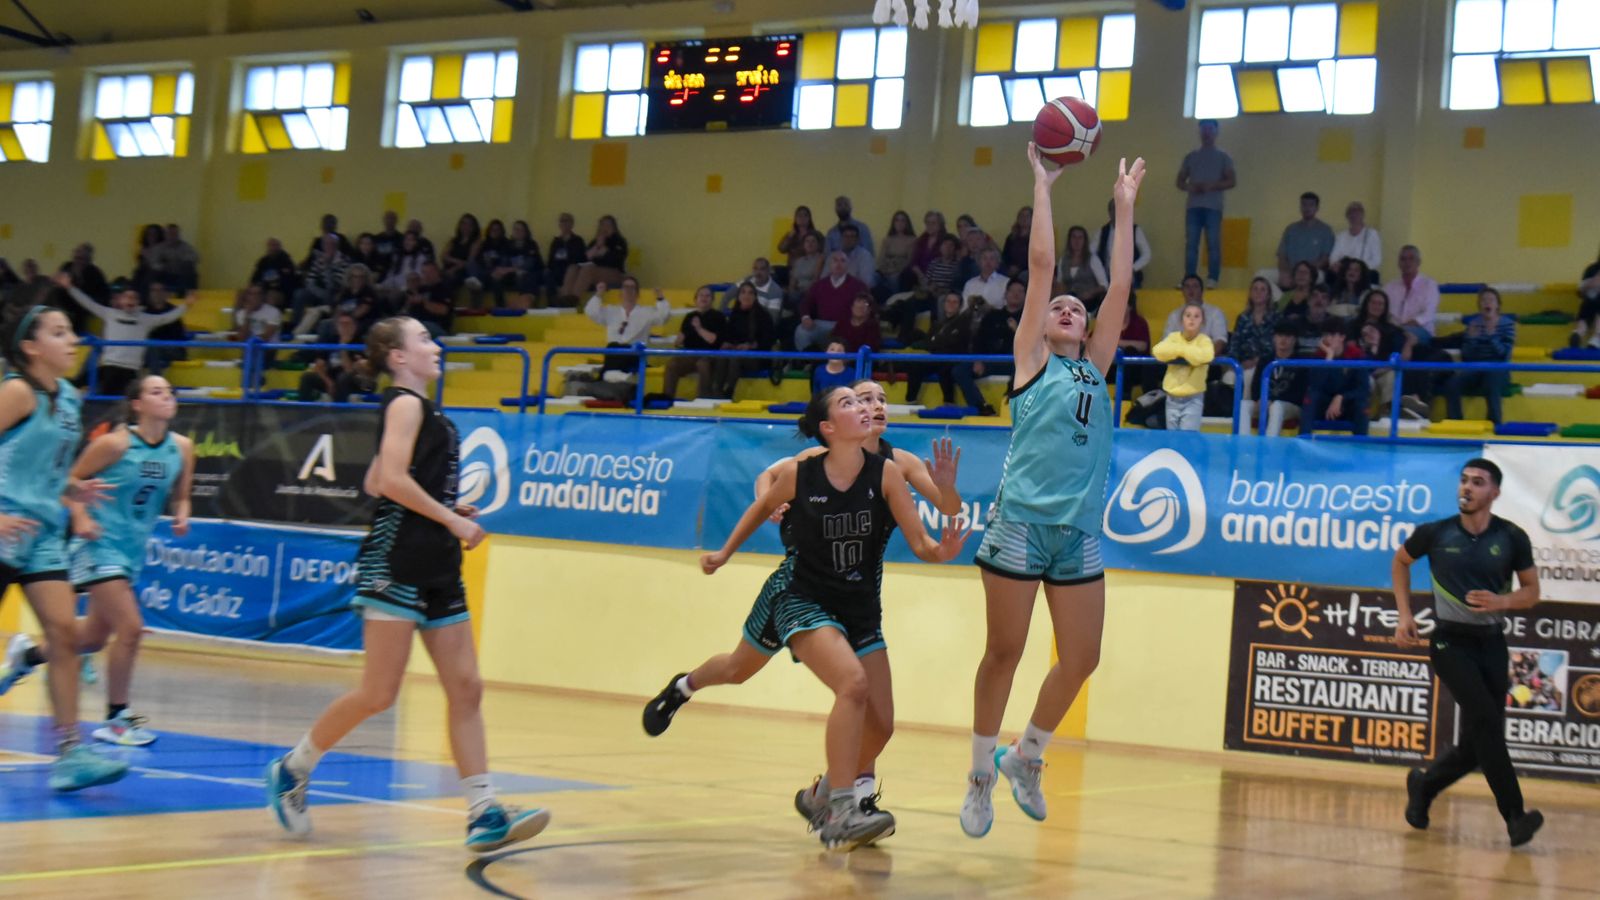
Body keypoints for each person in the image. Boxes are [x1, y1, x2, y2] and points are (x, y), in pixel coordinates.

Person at [266, 316, 552, 852]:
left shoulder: (423, 410)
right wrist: (452, 519)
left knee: (466, 687)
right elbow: (391, 482)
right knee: (379, 692)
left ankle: (483, 810)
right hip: (396, 559)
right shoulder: (403, 403)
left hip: (436, 563)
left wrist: (444, 506)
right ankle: (292, 768)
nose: (436, 344)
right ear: (397, 357)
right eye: (423, 338)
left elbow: (376, 478)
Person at [643, 381, 962, 815]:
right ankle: (684, 688)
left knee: (879, 721)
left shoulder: (895, 466)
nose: (874, 406)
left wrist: (944, 533)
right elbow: (766, 484)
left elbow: (941, 517)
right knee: (743, 669)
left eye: (880, 399)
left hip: (857, 600)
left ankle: (828, 794)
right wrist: (731, 545)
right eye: (859, 399)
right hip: (799, 589)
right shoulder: (809, 464)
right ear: (829, 425)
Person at [961, 146, 1145, 838]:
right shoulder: (1031, 363)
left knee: (1083, 658)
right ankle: (979, 773)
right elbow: (1041, 268)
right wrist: (1041, 184)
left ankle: (1025, 757)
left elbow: (1120, 290)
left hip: (1078, 531)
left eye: (1077, 306)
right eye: (1058, 307)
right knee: (1004, 653)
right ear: (1038, 326)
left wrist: (1123, 209)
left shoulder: (1097, 367)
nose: (1069, 307)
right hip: (1020, 525)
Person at [0, 300, 127, 791]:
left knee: (64, 635)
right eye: (58, 332)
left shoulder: (71, 399)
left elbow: (47, 470)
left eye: (72, 331)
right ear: (30, 347)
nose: (72, 339)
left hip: (42, 534)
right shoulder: (16, 392)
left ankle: (70, 752)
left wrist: (73, 490)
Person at [1392, 458, 1544, 848]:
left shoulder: (1511, 537)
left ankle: (1424, 787)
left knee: (1478, 744)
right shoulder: (1436, 533)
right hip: (1449, 643)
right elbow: (1400, 561)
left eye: (1478, 482)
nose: (1467, 488)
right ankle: (1514, 817)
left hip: (1492, 644)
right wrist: (1404, 614)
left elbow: (1531, 593)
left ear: (1494, 493)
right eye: (1463, 480)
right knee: (1487, 725)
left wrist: (1502, 601)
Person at [58, 375, 193, 746]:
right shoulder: (114, 444)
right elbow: (68, 480)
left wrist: (182, 514)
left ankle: (28, 653)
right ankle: (116, 717)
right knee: (131, 628)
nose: (167, 395)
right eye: (156, 391)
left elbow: (182, 495)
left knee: (93, 638)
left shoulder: (182, 448)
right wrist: (81, 518)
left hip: (131, 551)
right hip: (98, 543)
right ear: (137, 404)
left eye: (169, 390)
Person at [59, 276, 189, 396]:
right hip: (109, 368)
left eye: (134, 297)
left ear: (139, 302)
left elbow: (167, 317)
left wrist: (187, 305)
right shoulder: (109, 313)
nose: (130, 300)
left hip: (130, 370)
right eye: (127, 296)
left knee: (124, 396)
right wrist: (70, 287)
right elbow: (88, 303)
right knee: (87, 382)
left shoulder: (146, 319)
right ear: (120, 300)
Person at [1443, 287, 1516, 426]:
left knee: (1492, 381)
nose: (1487, 303)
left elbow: (1504, 355)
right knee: (1452, 383)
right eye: (1483, 300)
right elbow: (1467, 356)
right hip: (1475, 366)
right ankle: (1455, 421)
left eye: (1491, 300)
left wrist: (1492, 336)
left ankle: (1494, 423)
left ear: (1497, 305)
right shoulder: (1473, 324)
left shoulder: (1507, 324)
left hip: (1498, 368)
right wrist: (1471, 339)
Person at [1176, 119, 1235, 287]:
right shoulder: (1191, 156)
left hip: (1213, 207)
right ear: (1199, 132)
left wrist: (1212, 186)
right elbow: (1180, 182)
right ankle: (1189, 279)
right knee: (1191, 244)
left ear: (1216, 132)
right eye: (1203, 129)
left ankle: (1212, 279)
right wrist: (1190, 187)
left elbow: (1232, 181)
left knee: (1213, 244)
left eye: (1210, 129)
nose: (1207, 132)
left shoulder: (1224, 156)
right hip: (1193, 207)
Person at [584, 276, 672, 373]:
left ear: (637, 293)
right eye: (626, 287)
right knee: (613, 347)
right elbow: (591, 312)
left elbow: (664, 317)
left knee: (615, 351)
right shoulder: (610, 311)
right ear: (620, 292)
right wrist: (599, 294)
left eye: (632, 288)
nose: (629, 290)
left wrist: (660, 298)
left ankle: (606, 375)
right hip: (614, 354)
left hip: (634, 355)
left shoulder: (647, 312)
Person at [1300, 319, 1370, 437]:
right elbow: (1315, 386)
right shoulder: (1318, 357)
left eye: (1332, 335)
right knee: (1311, 397)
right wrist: (1329, 358)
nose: (1328, 339)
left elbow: (1363, 389)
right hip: (1324, 405)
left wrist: (1341, 397)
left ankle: (1361, 448)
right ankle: (1303, 441)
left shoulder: (1357, 356)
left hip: (1348, 404)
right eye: (1325, 335)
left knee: (1362, 405)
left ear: (1342, 337)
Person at [905, 292, 977, 405]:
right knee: (915, 365)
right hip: (936, 357)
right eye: (948, 301)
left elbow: (955, 343)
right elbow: (930, 343)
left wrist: (939, 342)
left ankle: (949, 402)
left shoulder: (964, 323)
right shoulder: (937, 324)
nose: (951, 304)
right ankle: (910, 401)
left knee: (944, 367)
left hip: (954, 359)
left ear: (960, 306)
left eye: (955, 302)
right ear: (943, 304)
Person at [1154, 302, 1214, 432]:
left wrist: (1178, 352)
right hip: (1171, 397)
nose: (1192, 319)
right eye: (1188, 315)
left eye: (1196, 316)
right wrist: (1184, 350)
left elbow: (1205, 356)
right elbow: (1158, 351)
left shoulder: (1204, 341)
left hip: (1193, 398)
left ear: (1202, 322)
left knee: (1187, 439)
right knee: (1173, 440)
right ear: (1182, 320)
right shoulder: (1173, 337)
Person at [712, 282, 777, 398]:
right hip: (737, 352)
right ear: (738, 296)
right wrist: (728, 344)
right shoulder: (734, 314)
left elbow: (768, 340)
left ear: (755, 297)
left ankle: (729, 392)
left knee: (735, 357)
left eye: (750, 293)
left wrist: (751, 346)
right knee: (722, 355)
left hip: (757, 357)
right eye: (743, 292)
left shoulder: (763, 315)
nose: (746, 295)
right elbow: (729, 336)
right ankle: (717, 391)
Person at [661, 286, 725, 400]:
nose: (704, 298)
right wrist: (679, 340)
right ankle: (666, 399)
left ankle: (704, 399)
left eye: (707, 296)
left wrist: (699, 329)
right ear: (696, 299)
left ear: (712, 300)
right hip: (690, 354)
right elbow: (679, 341)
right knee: (672, 364)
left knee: (702, 364)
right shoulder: (689, 317)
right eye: (701, 295)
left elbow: (713, 340)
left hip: (710, 356)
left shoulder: (718, 316)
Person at [796, 253, 868, 353]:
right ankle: (807, 363)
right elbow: (806, 303)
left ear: (847, 265)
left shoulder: (858, 286)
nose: (838, 264)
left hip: (846, 324)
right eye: (835, 260)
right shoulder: (819, 285)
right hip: (821, 324)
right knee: (802, 331)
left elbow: (867, 306)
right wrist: (806, 317)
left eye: (842, 261)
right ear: (829, 265)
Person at [298, 312, 372, 402]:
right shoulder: (329, 339)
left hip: (356, 381)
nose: (345, 328)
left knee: (343, 378)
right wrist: (328, 382)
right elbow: (319, 365)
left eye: (348, 324)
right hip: (332, 379)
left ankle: (339, 412)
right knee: (307, 377)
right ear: (336, 326)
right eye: (341, 324)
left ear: (355, 326)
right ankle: (304, 410)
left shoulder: (360, 343)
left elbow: (349, 371)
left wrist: (343, 347)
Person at [1253, 321, 1309, 436]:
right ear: (1274, 338)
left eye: (1287, 336)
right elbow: (1255, 385)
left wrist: (1272, 400)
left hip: (1291, 406)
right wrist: (1260, 398)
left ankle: (1269, 447)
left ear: (1294, 340)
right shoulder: (1265, 360)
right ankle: (1244, 444)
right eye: (1279, 336)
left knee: (1277, 406)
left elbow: (1300, 393)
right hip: (1265, 401)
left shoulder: (1301, 362)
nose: (1283, 340)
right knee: (1244, 405)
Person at [1232, 277, 1279, 404]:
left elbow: (1278, 346)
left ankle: (1250, 415)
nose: (1258, 292)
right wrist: (1238, 364)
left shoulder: (1276, 317)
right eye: (1255, 289)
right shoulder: (1242, 318)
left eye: (1263, 290)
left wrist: (1259, 362)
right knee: (1230, 377)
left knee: (1249, 377)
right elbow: (1234, 345)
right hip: (1243, 364)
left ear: (1269, 295)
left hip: (1268, 366)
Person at [561, 215, 629, 300]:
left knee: (588, 269)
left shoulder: (619, 241)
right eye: (602, 225)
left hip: (615, 273)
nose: (605, 228)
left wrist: (605, 252)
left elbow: (618, 260)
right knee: (573, 268)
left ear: (614, 228)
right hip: (594, 271)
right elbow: (582, 260)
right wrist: (596, 247)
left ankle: (573, 301)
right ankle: (564, 300)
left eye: (608, 225)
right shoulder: (594, 242)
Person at [1384, 245, 1439, 349]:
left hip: (1422, 332)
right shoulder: (1390, 287)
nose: (1407, 262)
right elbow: (1385, 313)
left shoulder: (1429, 285)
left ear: (1418, 262)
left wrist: (1402, 328)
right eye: (1403, 259)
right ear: (1399, 263)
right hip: (1395, 330)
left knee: (1399, 336)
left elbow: (1428, 314)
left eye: (1411, 258)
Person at [1276, 192, 1335, 289]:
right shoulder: (1291, 229)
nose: (1307, 208)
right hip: (1290, 271)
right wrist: (1284, 272)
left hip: (1314, 272)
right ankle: (1282, 302)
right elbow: (1282, 255)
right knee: (1262, 274)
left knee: (1311, 278)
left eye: (1311, 205)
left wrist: (1304, 271)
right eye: (1304, 204)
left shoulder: (1325, 230)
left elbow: (1325, 258)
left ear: (1317, 208)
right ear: (1300, 207)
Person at [1162, 275, 1230, 356]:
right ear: (1182, 291)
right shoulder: (1174, 315)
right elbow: (1166, 342)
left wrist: (1201, 358)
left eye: (1195, 286)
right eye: (1187, 287)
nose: (1191, 290)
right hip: (1179, 362)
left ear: (1202, 291)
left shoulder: (1215, 313)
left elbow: (1220, 341)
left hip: (1208, 362)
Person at [1094, 199, 1151, 290]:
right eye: (1114, 208)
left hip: (1131, 280)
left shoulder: (1135, 230)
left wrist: (1133, 269)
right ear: (1109, 212)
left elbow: (1147, 254)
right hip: (1108, 278)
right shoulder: (1101, 232)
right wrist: (1099, 272)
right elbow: (1090, 254)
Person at [1056, 226, 1107, 311]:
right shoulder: (1063, 260)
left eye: (1080, 238)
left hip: (1089, 301)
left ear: (1084, 241)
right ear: (1069, 240)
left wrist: (1090, 293)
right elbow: (1060, 283)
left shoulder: (1093, 259)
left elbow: (1104, 285)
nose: (1077, 241)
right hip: (1069, 300)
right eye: (1074, 237)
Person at [1329, 201, 1382, 278]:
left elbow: (1377, 260)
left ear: (1363, 215)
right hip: (1344, 271)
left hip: (1364, 271)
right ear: (1347, 216)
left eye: (1357, 212)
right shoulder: (1341, 236)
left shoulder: (1372, 234)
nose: (1354, 215)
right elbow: (1333, 257)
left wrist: (1358, 269)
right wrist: (1335, 265)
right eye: (1351, 212)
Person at [545, 213, 586, 306]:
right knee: (547, 274)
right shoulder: (556, 242)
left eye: (566, 221)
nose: (564, 223)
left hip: (572, 271)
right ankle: (552, 304)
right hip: (556, 271)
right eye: (561, 221)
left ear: (572, 224)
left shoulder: (578, 240)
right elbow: (550, 261)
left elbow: (581, 259)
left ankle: (564, 302)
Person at [777, 205, 823, 279]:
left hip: (810, 268)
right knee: (773, 271)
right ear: (795, 218)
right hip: (791, 269)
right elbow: (781, 249)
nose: (802, 218)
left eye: (805, 215)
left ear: (809, 219)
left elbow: (822, 251)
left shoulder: (816, 234)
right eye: (799, 215)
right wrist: (789, 237)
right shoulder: (791, 234)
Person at [878, 211, 917, 295]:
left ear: (907, 223)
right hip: (886, 270)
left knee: (894, 279)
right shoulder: (887, 240)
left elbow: (910, 261)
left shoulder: (912, 240)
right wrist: (886, 269)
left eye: (902, 220)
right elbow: (881, 260)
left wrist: (896, 269)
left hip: (901, 272)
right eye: (897, 220)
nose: (899, 223)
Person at [1572, 244, 1600, 349]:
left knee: (1586, 312)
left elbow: (1580, 291)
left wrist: (1591, 284)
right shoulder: (1592, 269)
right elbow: (1580, 291)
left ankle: (1578, 332)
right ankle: (1597, 337)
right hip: (1593, 300)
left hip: (1589, 300)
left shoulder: (1591, 268)